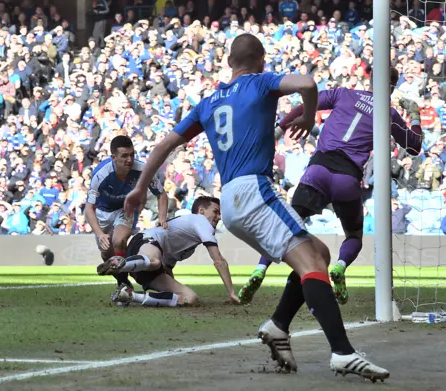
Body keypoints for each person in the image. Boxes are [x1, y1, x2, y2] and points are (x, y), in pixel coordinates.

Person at [124, 34, 389, 380]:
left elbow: (164, 145)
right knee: (313, 262)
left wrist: (141, 186)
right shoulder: (261, 83)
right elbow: (308, 83)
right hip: (255, 190)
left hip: (231, 200)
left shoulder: (208, 103)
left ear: (229, 62)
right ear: (261, 60)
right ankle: (342, 352)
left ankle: (279, 326)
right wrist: (308, 119)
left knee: (318, 253)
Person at [238, 67, 423, 305]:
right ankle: (340, 266)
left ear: (370, 79)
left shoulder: (343, 94)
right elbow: (414, 146)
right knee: (354, 235)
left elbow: (305, 106)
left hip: (319, 170)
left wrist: (278, 130)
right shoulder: (389, 114)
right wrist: (415, 115)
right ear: (393, 87)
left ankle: (259, 270)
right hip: (347, 178)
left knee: (286, 225)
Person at [103, 196, 241, 307]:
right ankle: (120, 263)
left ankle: (130, 295)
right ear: (201, 211)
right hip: (144, 242)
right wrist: (232, 292)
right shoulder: (201, 221)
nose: (219, 217)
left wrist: (172, 290)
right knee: (155, 262)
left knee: (189, 298)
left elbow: (167, 266)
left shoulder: (188, 237)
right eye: (216, 211)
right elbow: (219, 261)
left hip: (144, 267)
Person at [86, 136, 168, 286]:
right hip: (103, 212)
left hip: (126, 208)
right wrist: (100, 234)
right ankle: (123, 280)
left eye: (132, 154)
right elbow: (89, 208)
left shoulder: (143, 170)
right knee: (106, 252)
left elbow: (161, 194)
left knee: (119, 241)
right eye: (124, 156)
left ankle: (124, 283)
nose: (129, 159)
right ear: (113, 158)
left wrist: (162, 217)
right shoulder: (100, 175)